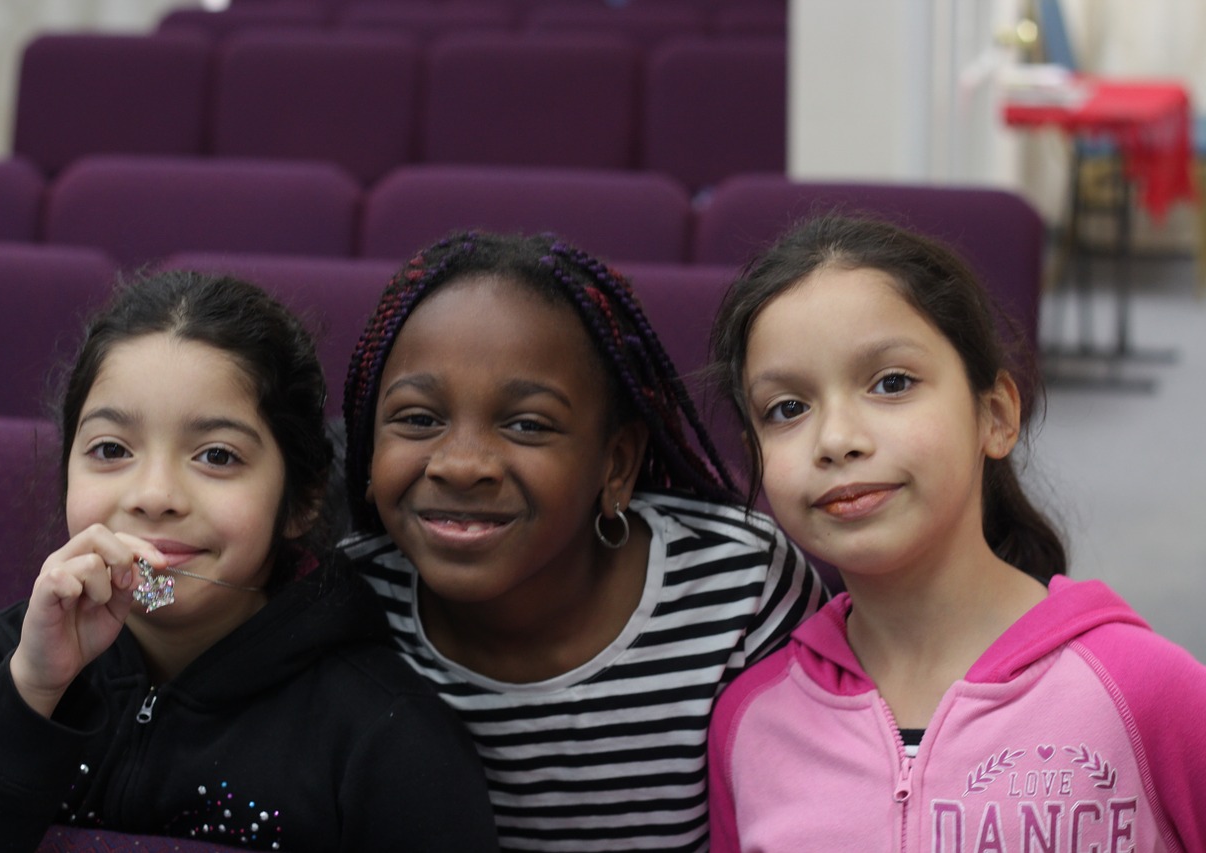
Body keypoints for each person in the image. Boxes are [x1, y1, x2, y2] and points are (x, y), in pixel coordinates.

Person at [0, 270, 499, 852]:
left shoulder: (386, 732)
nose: (154, 496)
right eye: (111, 449)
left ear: (302, 498)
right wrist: (32, 688)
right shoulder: (12, 655)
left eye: (217, 456)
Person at [705, 214, 1206, 852]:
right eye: (788, 409)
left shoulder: (1143, 691)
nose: (835, 440)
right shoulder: (751, 721)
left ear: (994, 416)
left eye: (892, 383)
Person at [338, 231, 826, 852]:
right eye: (418, 419)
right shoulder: (342, 605)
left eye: (527, 424)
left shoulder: (740, 587)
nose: (461, 465)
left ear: (616, 464)